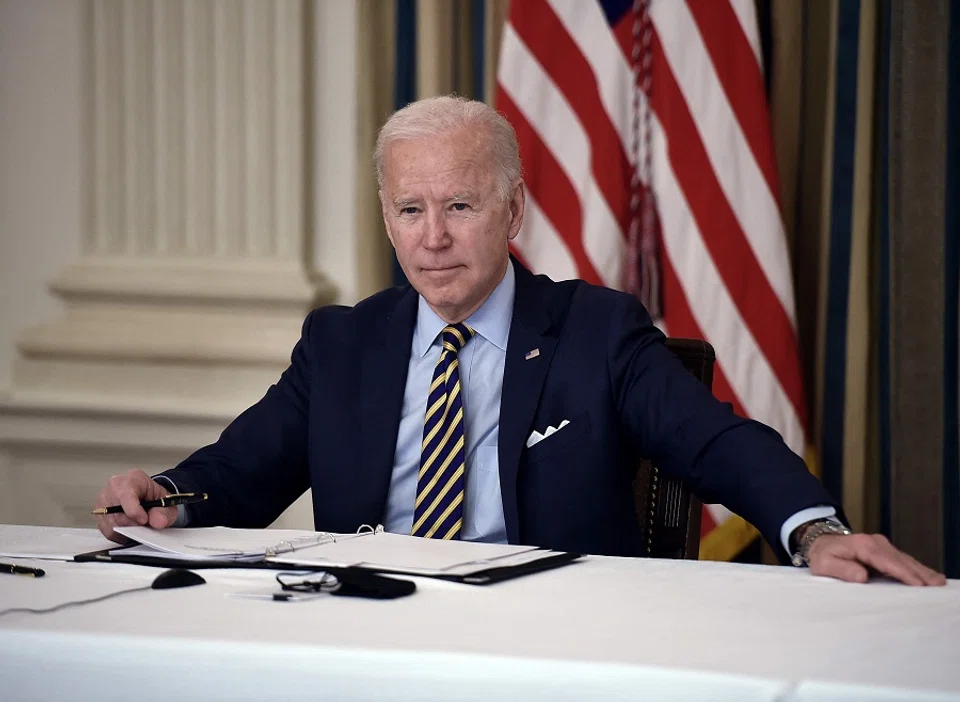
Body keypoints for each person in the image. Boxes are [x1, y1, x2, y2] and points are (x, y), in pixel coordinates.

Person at [95, 96, 944, 586]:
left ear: (513, 210)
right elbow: (240, 471)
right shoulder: (343, 343)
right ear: (387, 219)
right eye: (409, 210)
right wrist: (167, 492)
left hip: (551, 649)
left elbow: (716, 441)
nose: (432, 238)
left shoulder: (597, 331)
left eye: (458, 206)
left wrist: (814, 529)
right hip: (366, 639)